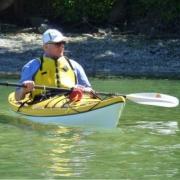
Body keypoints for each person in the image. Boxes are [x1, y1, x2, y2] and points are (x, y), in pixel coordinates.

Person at [15, 29, 93, 101]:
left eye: (63, 43)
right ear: (45, 47)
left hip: (70, 101)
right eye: (57, 44)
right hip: (41, 103)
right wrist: (24, 89)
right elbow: (17, 97)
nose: (61, 46)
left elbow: (90, 92)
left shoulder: (75, 65)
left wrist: (87, 91)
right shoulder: (31, 66)